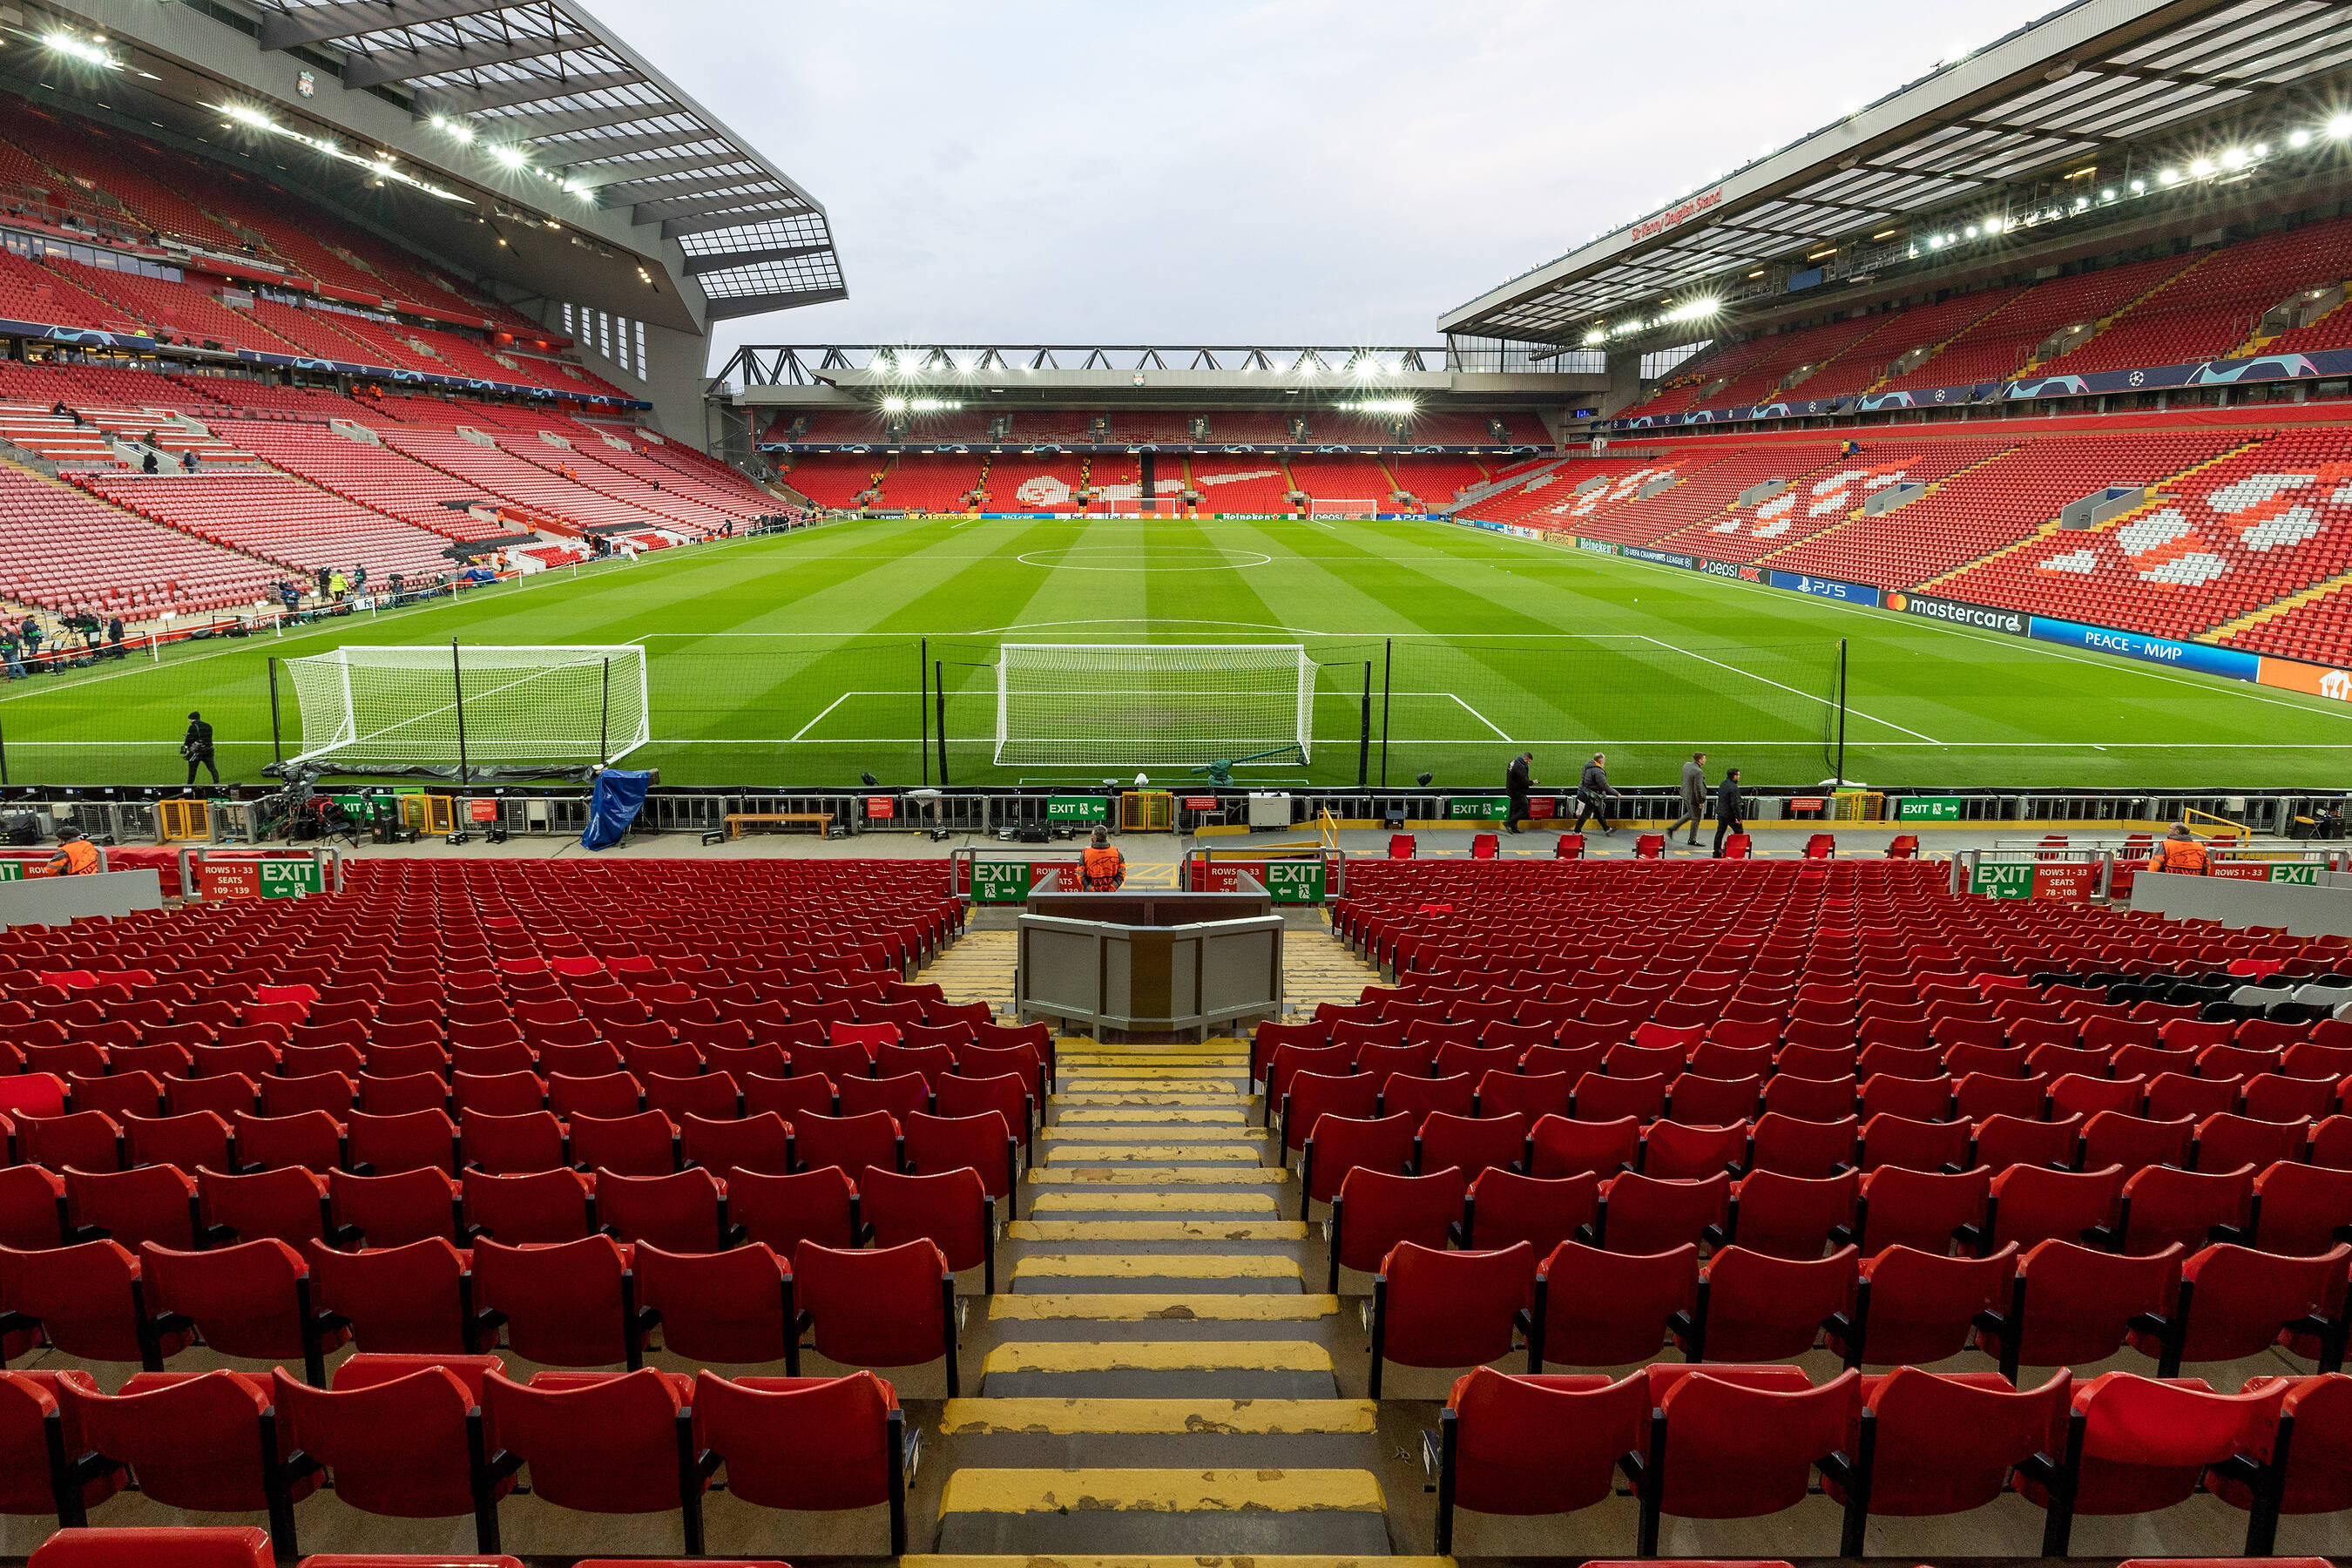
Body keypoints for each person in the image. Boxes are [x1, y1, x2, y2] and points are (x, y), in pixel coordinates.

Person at [1571, 752, 1619, 836]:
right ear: (1600, 761)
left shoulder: (1588, 766)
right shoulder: (1598, 771)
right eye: (1604, 760)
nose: (1605, 762)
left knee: (1598, 811)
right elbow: (1604, 786)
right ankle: (1576, 831)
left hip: (1584, 792)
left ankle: (1607, 829)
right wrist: (1616, 794)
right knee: (1587, 813)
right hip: (1591, 796)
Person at [1665, 751, 1707, 847]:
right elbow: (1698, 788)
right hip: (1694, 798)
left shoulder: (1687, 765)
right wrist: (1700, 801)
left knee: (1690, 814)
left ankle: (1672, 828)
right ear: (1700, 760)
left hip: (1685, 794)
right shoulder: (1699, 772)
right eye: (1704, 758)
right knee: (1696, 818)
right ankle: (1692, 839)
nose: (1705, 760)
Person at [2146, 822, 2212, 875]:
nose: (2168, 830)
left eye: (2170, 828)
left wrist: (2149, 878)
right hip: (2194, 881)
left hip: (2169, 880)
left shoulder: (2166, 845)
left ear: (2177, 832)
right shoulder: (2200, 846)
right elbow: (2206, 867)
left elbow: (2155, 865)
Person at [1712, 767, 1745, 857]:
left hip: (1721, 813)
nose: (1739, 777)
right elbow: (1735, 804)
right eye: (1738, 775)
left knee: (1720, 832)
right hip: (1730, 814)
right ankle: (1734, 851)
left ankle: (1716, 852)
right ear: (1734, 776)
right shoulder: (1734, 788)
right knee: (1739, 832)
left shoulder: (1723, 784)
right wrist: (1739, 818)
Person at [1080, 825, 1125, 890]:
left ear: (1095, 838)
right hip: (1109, 895)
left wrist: (1091, 889)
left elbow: (1080, 875)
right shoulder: (1117, 853)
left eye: (1092, 836)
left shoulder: (1085, 854)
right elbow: (1121, 875)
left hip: (1090, 895)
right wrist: (1111, 889)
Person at [181, 710, 218, 787]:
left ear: (192, 719)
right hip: (209, 750)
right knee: (211, 767)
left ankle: (189, 784)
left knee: (192, 769)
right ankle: (216, 782)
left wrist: (186, 746)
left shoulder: (192, 727)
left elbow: (190, 739)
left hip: (197, 752)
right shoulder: (208, 725)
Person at [1504, 750, 1535, 835]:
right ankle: (1508, 823)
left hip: (1511, 790)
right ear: (1524, 758)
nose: (1528, 763)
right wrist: (1532, 782)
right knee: (1525, 810)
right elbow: (1524, 782)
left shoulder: (1513, 762)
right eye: (1528, 761)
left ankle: (1514, 828)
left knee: (1516, 809)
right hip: (1518, 792)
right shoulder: (1519, 767)